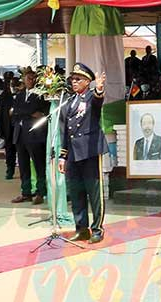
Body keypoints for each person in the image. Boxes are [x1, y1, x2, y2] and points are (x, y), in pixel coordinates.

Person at [57, 63, 108, 244]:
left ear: (87, 81)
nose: (74, 81)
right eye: (72, 79)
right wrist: (63, 156)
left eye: (78, 79)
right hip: (73, 153)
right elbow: (64, 131)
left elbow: (98, 101)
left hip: (89, 150)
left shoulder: (90, 98)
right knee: (76, 191)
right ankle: (81, 228)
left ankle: (97, 228)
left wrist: (99, 89)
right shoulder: (70, 101)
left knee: (94, 192)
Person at [11, 71, 49, 204]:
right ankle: (26, 192)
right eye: (28, 78)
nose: (31, 80)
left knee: (39, 164)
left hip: (34, 135)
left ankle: (40, 192)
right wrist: (28, 112)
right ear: (23, 80)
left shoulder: (40, 95)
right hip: (20, 134)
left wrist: (22, 111)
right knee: (23, 165)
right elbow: (14, 112)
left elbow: (38, 111)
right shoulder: (19, 95)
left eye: (33, 78)